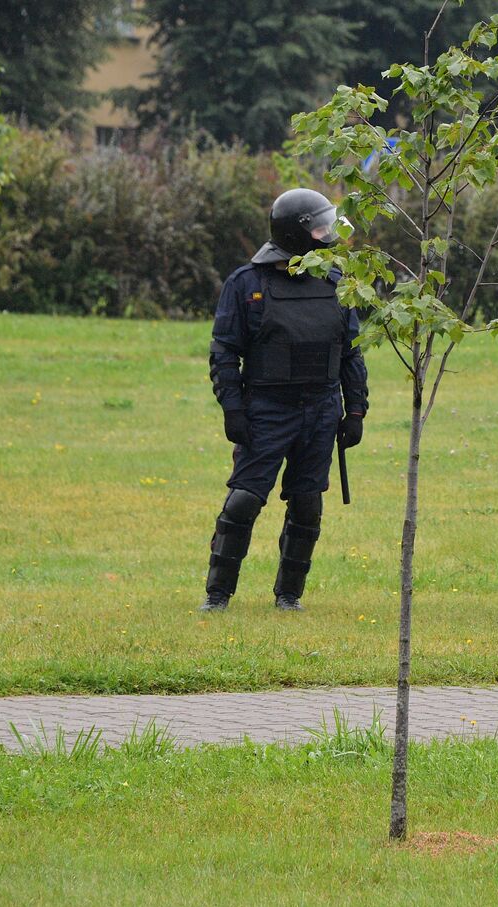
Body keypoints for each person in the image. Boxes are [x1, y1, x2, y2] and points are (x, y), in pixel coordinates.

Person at [197, 188, 368, 612]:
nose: (330, 233)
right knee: (244, 501)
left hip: (321, 408)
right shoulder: (246, 284)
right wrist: (233, 409)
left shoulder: (336, 282)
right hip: (266, 411)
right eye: (322, 226)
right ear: (298, 234)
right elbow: (224, 352)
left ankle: (289, 596)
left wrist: (357, 410)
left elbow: (350, 352)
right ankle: (217, 596)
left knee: (308, 505)